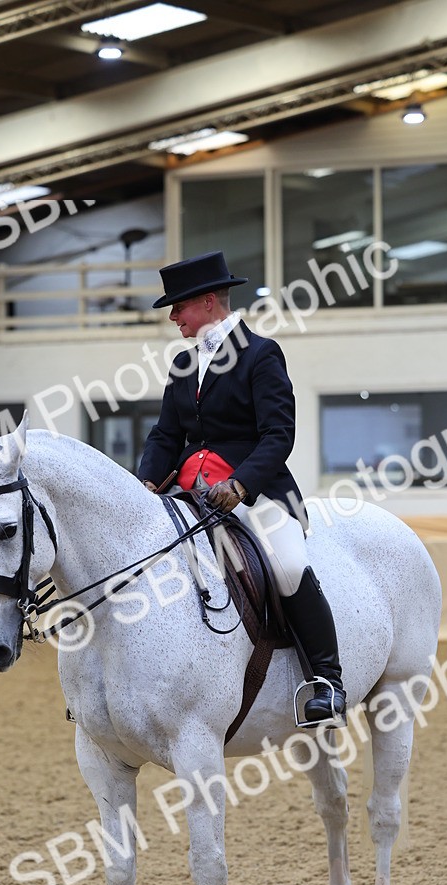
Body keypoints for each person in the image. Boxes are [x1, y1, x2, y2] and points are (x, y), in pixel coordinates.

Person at [137, 250, 346, 723]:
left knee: (288, 565)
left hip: (258, 491)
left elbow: (279, 435)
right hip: (190, 492)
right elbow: (166, 435)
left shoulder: (261, 354)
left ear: (208, 301)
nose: (173, 317)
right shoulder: (183, 365)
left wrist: (242, 484)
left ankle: (328, 681)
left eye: (179, 307)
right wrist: (146, 481)